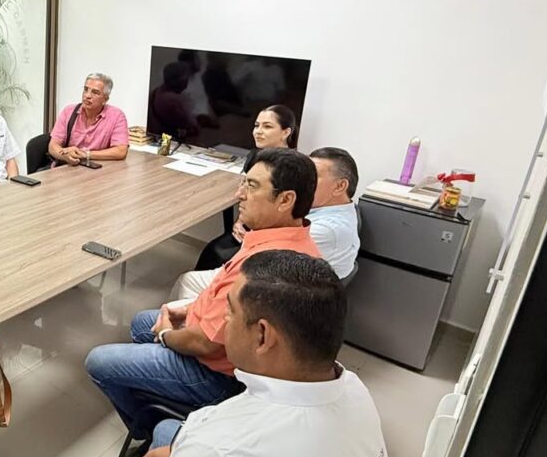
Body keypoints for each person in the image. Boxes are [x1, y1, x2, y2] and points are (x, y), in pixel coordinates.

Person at [43, 250, 388, 457]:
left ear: (263, 335)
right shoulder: (354, 390)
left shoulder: (224, 450)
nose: (223, 320)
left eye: (230, 311)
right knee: (167, 431)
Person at [85, 148, 321, 436]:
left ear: (285, 200)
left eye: (252, 186)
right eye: (244, 182)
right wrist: (191, 309)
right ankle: (153, 389)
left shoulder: (265, 267)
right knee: (141, 322)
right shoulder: (288, 239)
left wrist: (166, 335)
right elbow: (222, 303)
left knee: (99, 361)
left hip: (216, 374)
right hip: (215, 342)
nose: (240, 194)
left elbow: (206, 344)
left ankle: (147, 428)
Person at [193, 104, 298, 271]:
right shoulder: (255, 155)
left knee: (214, 252)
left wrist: (249, 226)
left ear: (286, 132)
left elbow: (283, 213)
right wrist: (240, 220)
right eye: (257, 126)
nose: (258, 131)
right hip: (250, 222)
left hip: (269, 231)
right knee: (212, 251)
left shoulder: (291, 167)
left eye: (267, 126)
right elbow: (247, 189)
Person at [48, 73, 130, 166]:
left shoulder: (117, 116)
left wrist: (86, 154)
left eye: (95, 92)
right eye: (86, 89)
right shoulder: (68, 111)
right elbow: (52, 146)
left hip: (98, 169)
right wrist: (64, 155)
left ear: (105, 99)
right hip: (67, 166)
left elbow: (121, 151)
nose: (87, 95)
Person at [308, 147, 361, 279]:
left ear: (340, 186)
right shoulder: (345, 207)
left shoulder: (325, 229)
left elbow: (262, 256)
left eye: (312, 176)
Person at [148, 61, 200, 141]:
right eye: (186, 79)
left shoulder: (157, 91)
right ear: (180, 81)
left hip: (159, 137)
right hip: (169, 141)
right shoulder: (173, 100)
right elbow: (192, 124)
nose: (187, 83)